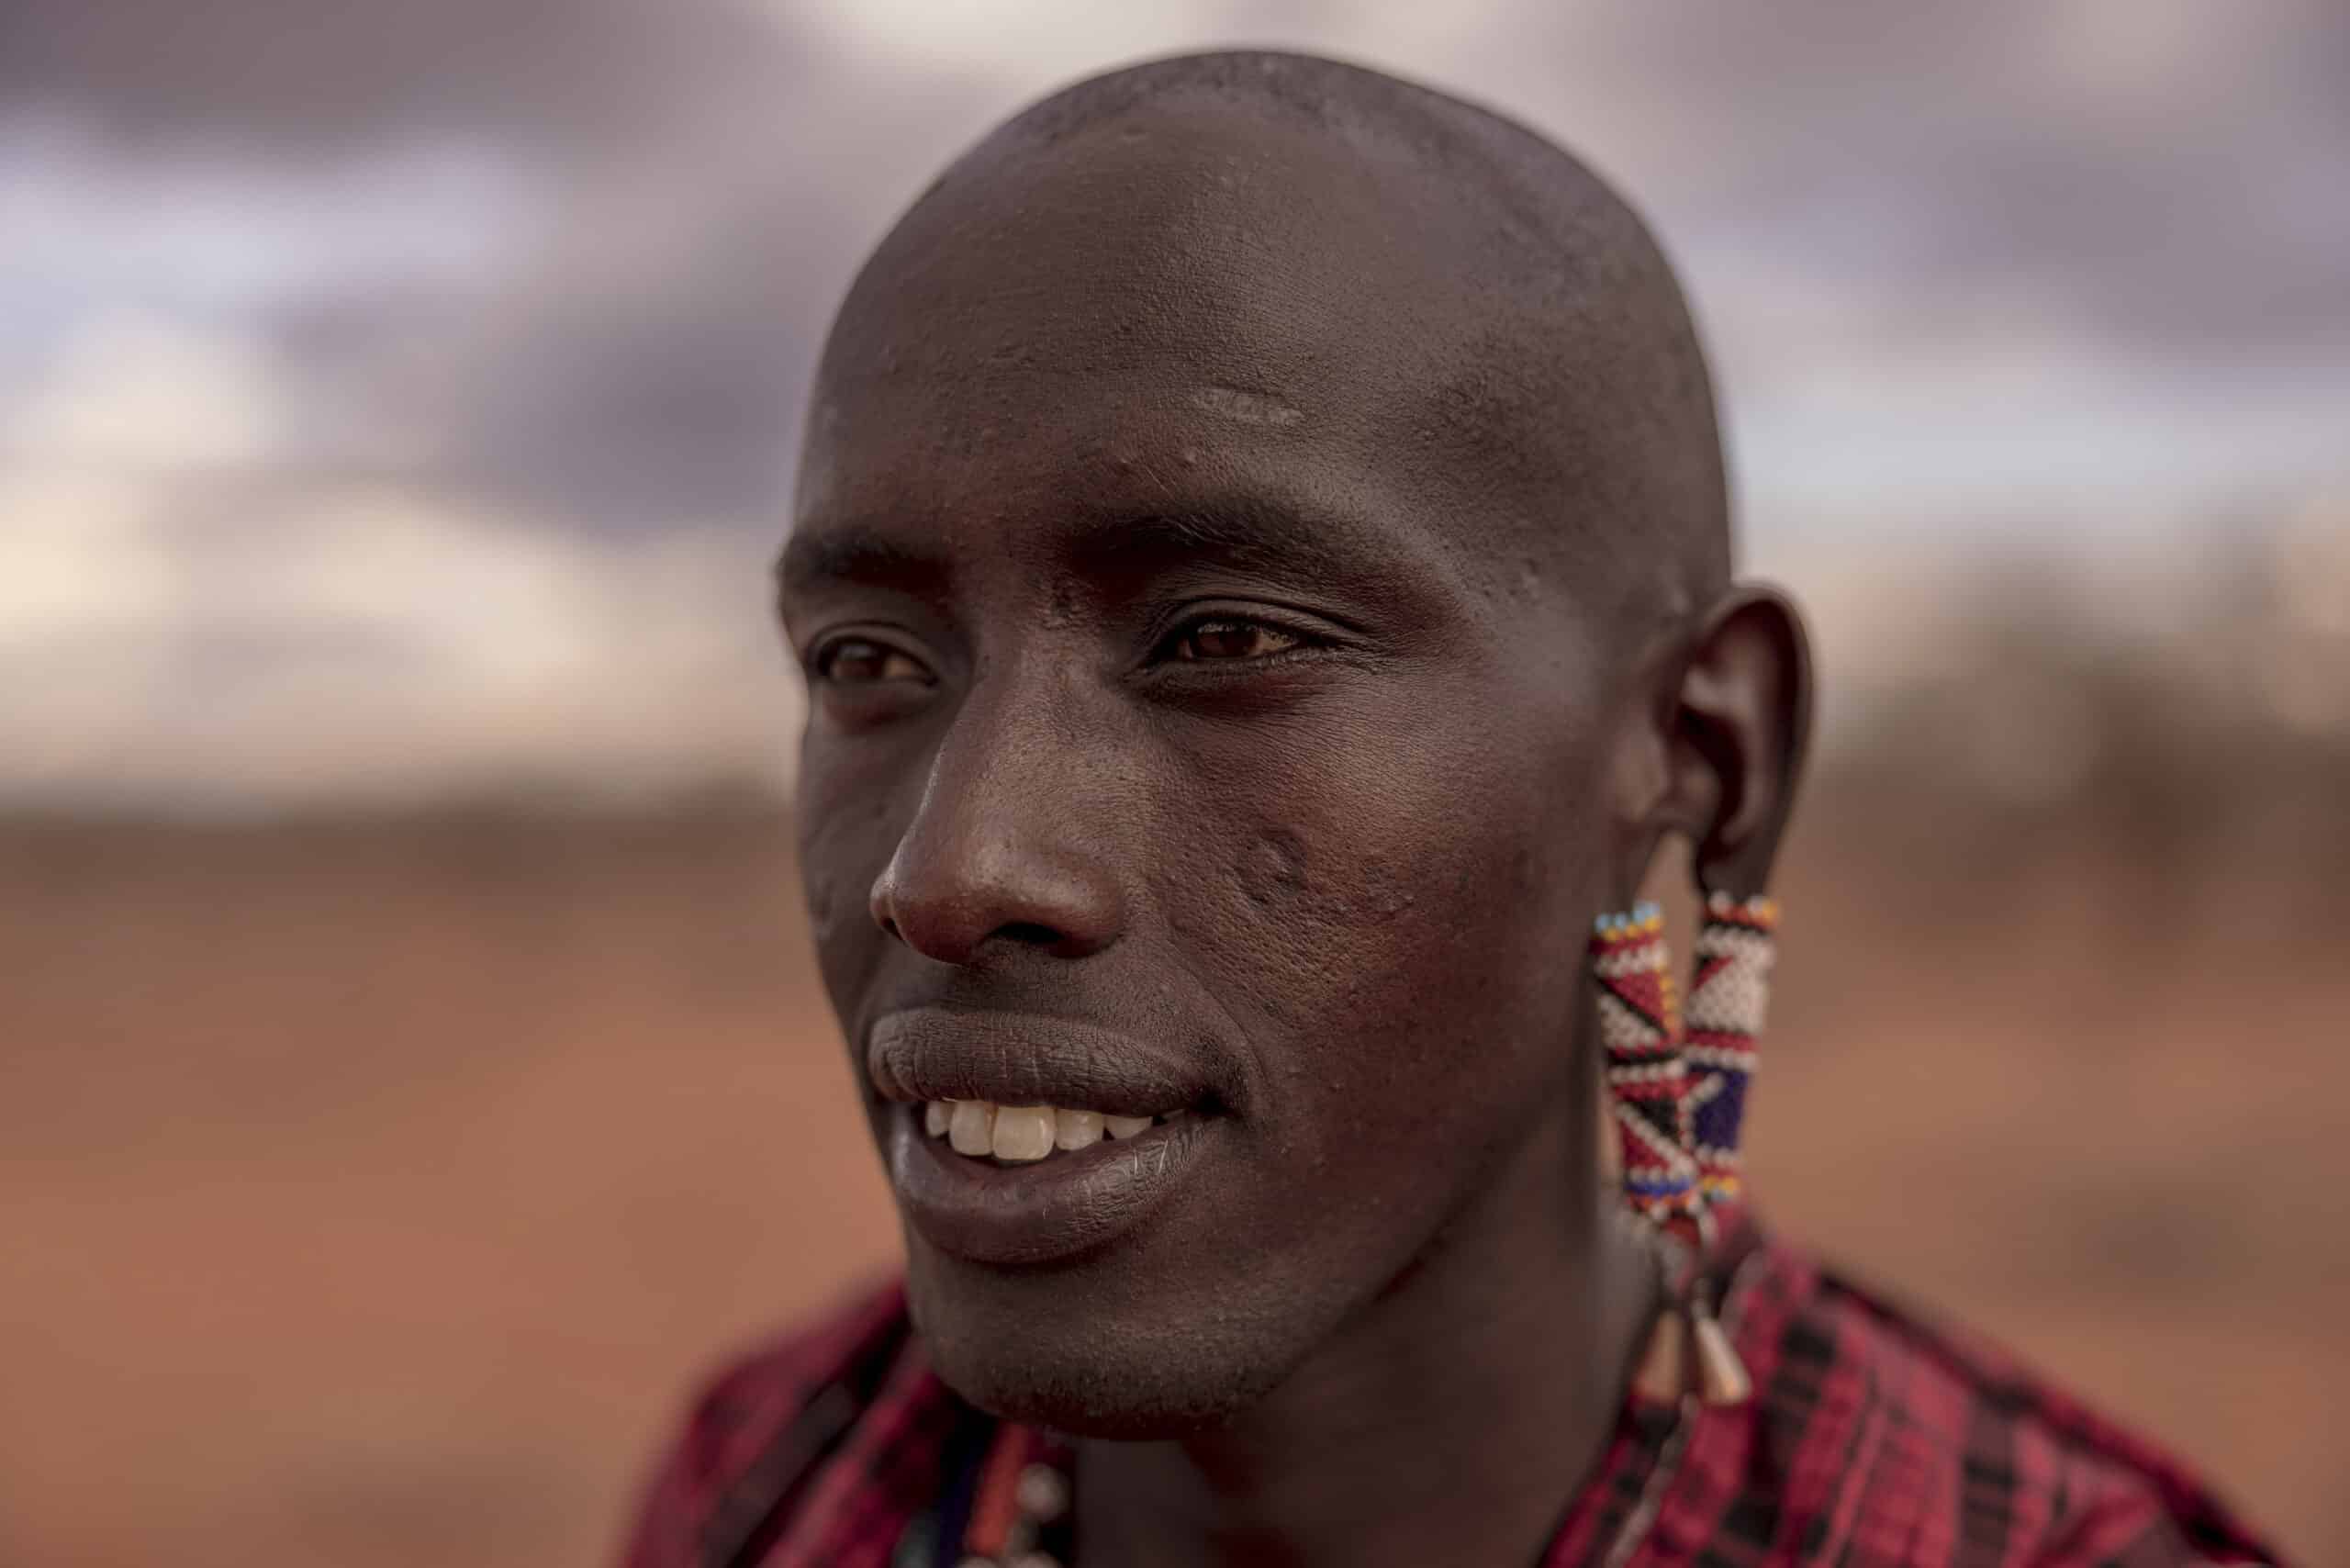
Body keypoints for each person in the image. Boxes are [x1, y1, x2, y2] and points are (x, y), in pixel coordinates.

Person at [621, 50, 2281, 1568]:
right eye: (869, 658)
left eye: (1227, 639)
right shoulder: (777, 1479)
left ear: (1700, 756)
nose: (953, 868)